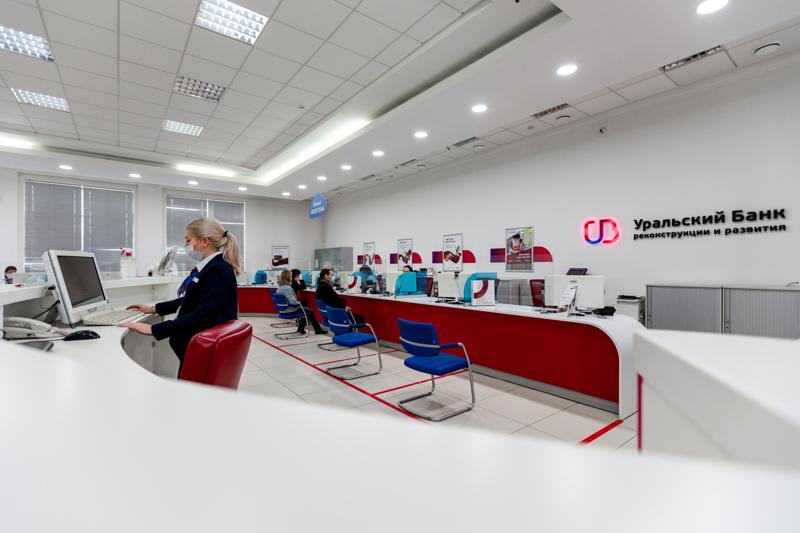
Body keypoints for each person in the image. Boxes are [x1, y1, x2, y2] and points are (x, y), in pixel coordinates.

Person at [119, 217, 240, 373]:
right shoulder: (210, 268)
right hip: (198, 348)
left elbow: (203, 313)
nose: (186, 246)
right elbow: (189, 299)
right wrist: (153, 309)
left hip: (204, 350)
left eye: (188, 240)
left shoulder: (218, 270)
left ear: (205, 241)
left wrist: (154, 329)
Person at [276, 270, 325, 335]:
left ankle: (301, 329)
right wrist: (299, 302)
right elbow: (293, 302)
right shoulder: (287, 288)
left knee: (306, 310)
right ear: (288, 278)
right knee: (309, 311)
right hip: (290, 310)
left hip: (283, 310)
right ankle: (317, 330)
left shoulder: (280, 287)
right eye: (290, 276)